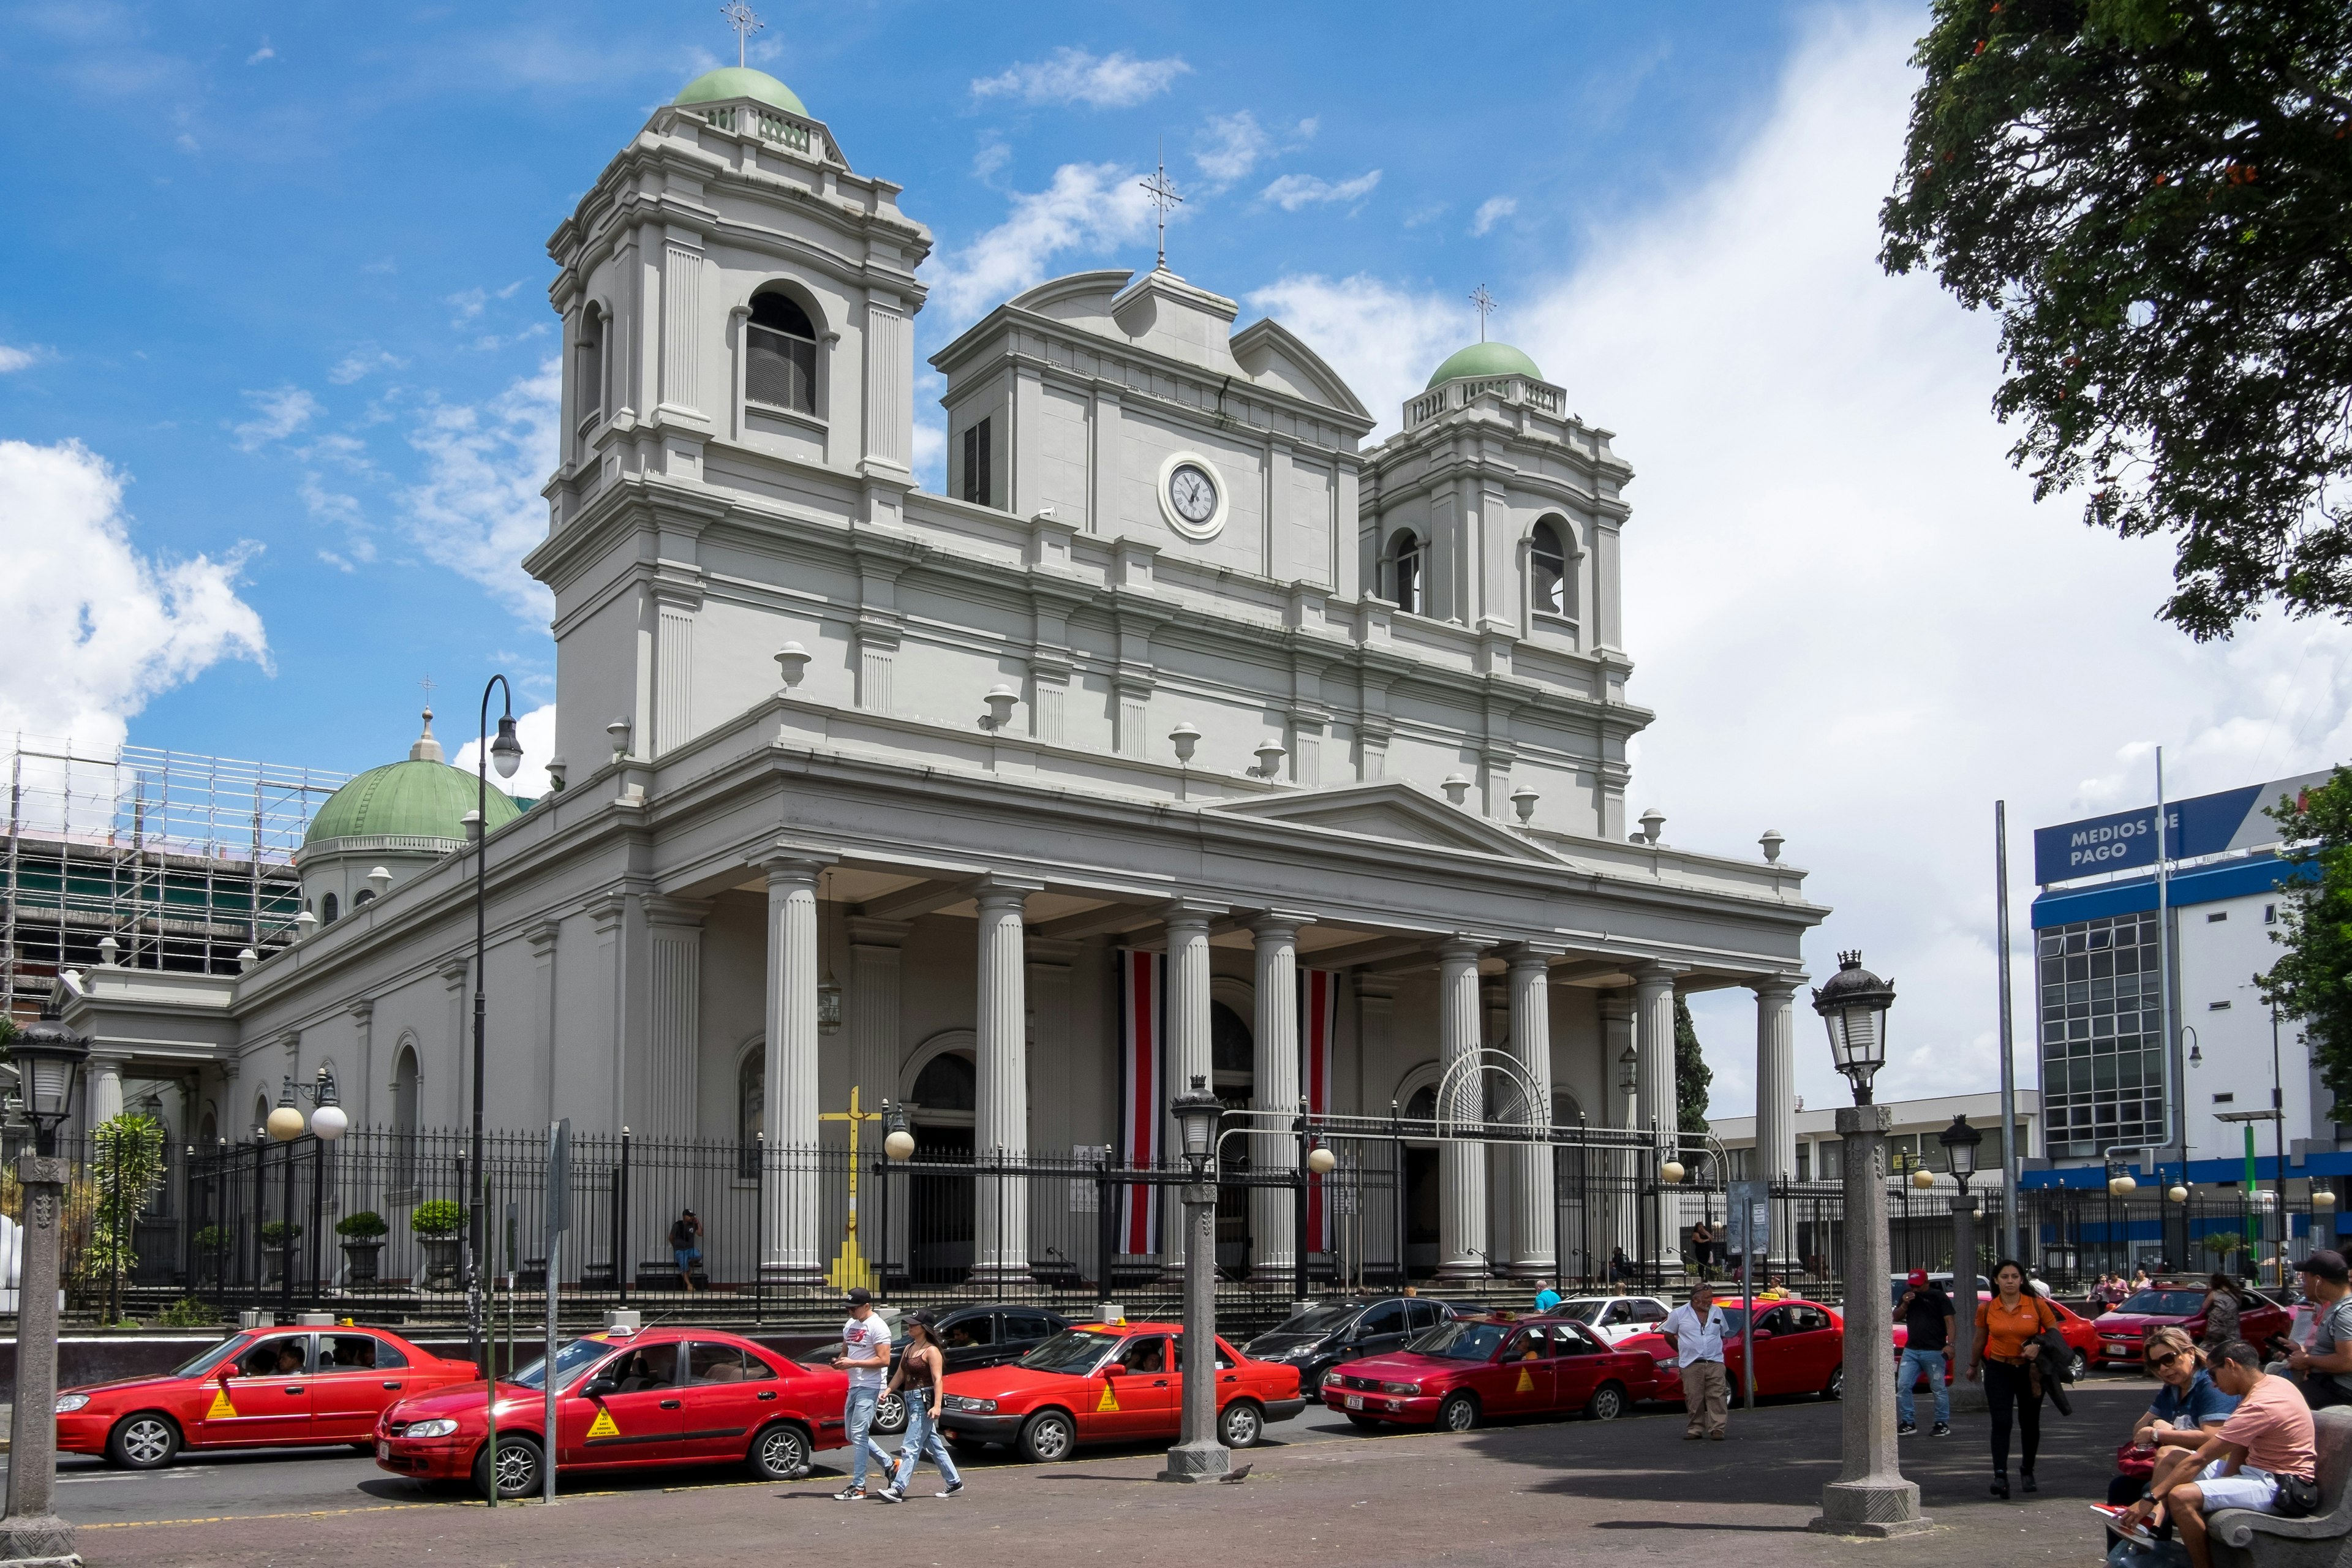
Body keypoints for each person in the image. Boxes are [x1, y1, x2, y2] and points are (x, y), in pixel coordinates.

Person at [2114, 1341, 2318, 1568]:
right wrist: (2227, 1481)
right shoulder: (2270, 1384)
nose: (2212, 1384)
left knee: (2181, 1497)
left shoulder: (2260, 1404)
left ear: (2230, 1365)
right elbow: (2241, 1445)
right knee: (2170, 1454)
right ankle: (2152, 1524)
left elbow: (2201, 1458)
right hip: (2258, 1473)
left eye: (2212, 1374)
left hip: (2280, 1485)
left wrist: (2149, 1498)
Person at [1969, 1257, 2057, 1498]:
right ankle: (2000, 1475)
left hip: (2030, 1372)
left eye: (2015, 1277)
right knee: (2002, 1422)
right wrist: (1973, 1365)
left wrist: (2037, 1346)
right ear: (1996, 1280)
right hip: (1999, 1370)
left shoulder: (2037, 1305)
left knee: (2030, 1423)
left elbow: (2054, 1334)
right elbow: (1980, 1338)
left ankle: (2027, 1470)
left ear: (2021, 1280)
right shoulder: (1986, 1308)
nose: (2010, 1281)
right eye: (2005, 1277)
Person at [875, 1311, 962, 1502]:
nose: (910, 1327)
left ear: (924, 1328)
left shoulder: (932, 1351)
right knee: (933, 1444)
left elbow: (938, 1380)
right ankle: (954, 1481)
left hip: (924, 1402)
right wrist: (888, 1390)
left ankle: (898, 1488)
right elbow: (900, 1374)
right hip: (910, 1398)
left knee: (910, 1446)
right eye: (909, 1324)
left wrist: (937, 1405)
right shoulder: (909, 1348)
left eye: (914, 1324)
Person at [829, 1287, 893, 1501]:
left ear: (867, 1306)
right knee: (852, 1435)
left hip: (871, 1385)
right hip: (854, 1384)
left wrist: (853, 1363)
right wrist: (840, 1363)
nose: (850, 1312)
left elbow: (884, 1360)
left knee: (858, 1434)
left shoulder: (879, 1327)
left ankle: (858, 1486)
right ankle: (889, 1463)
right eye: (847, 1308)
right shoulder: (850, 1325)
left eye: (853, 1308)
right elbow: (846, 1352)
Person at [1659, 1279, 1731, 1441]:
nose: (1710, 1301)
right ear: (1695, 1299)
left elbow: (1723, 1333)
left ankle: (1717, 1428)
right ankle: (1695, 1429)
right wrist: (1682, 1350)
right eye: (1707, 1299)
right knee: (1694, 1397)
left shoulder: (1717, 1312)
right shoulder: (1678, 1314)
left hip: (1715, 1362)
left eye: (1711, 1297)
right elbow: (1668, 1335)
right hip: (1691, 1363)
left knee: (1718, 1395)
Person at [2280, 1250, 2352, 1408]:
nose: (2302, 1285)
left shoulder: (2345, 1311)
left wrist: (2308, 1360)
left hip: (2339, 1391)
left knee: (2278, 1408)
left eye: (2305, 1279)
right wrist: (2302, 1351)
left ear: (2318, 1281)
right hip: (2326, 1385)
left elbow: (2347, 1361)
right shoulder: (2336, 1308)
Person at [1896, 1268, 1956, 1438]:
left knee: (1938, 1388)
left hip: (1934, 1350)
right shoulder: (1908, 1296)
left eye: (1918, 1286)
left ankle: (1941, 1423)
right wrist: (1905, 1304)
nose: (1914, 1290)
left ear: (1927, 1283)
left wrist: (1950, 1344)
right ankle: (1908, 1422)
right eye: (1912, 1286)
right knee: (1903, 1385)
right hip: (1912, 1350)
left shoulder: (1938, 1297)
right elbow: (1896, 1316)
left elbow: (1950, 1320)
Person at [2202, 1273, 2248, 1356]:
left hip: (2217, 1323)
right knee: (2233, 1346)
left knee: (2210, 1346)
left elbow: (2204, 1306)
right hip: (2232, 1322)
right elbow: (2240, 1304)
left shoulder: (2215, 1293)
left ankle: (2210, 1361)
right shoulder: (2236, 1292)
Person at [669, 1208, 703, 1292]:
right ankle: (689, 1284)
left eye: (693, 1216)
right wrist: (675, 1247)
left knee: (698, 1256)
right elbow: (671, 1238)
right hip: (680, 1250)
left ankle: (690, 1263)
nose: (692, 1218)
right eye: (690, 1216)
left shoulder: (693, 1225)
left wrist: (698, 1223)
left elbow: (700, 1234)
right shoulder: (678, 1225)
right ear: (684, 1217)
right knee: (683, 1267)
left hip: (690, 1248)